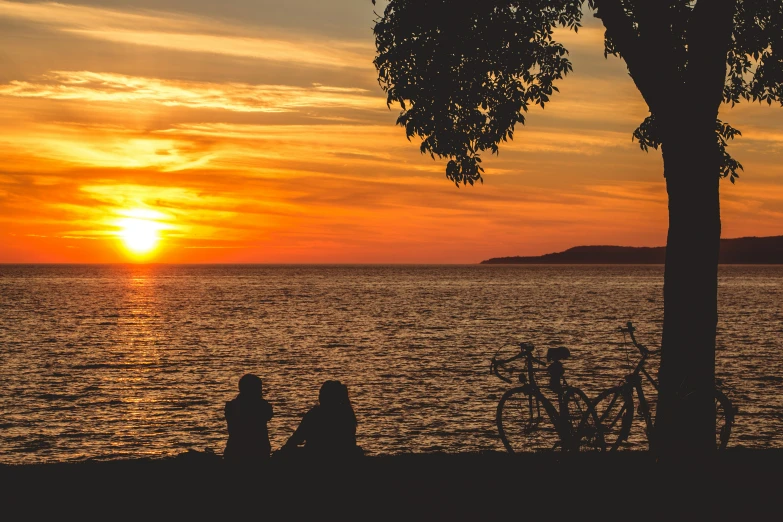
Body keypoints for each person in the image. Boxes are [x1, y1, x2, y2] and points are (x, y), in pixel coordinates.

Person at [281, 380, 362, 458]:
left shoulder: (314, 414)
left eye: (322, 393)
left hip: (315, 455)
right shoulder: (346, 414)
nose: (319, 396)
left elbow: (297, 438)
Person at [223, 373, 273, 463]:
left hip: (234, 452)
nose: (261, 391)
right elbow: (268, 414)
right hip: (258, 453)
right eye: (259, 388)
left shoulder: (231, 406)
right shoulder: (262, 406)